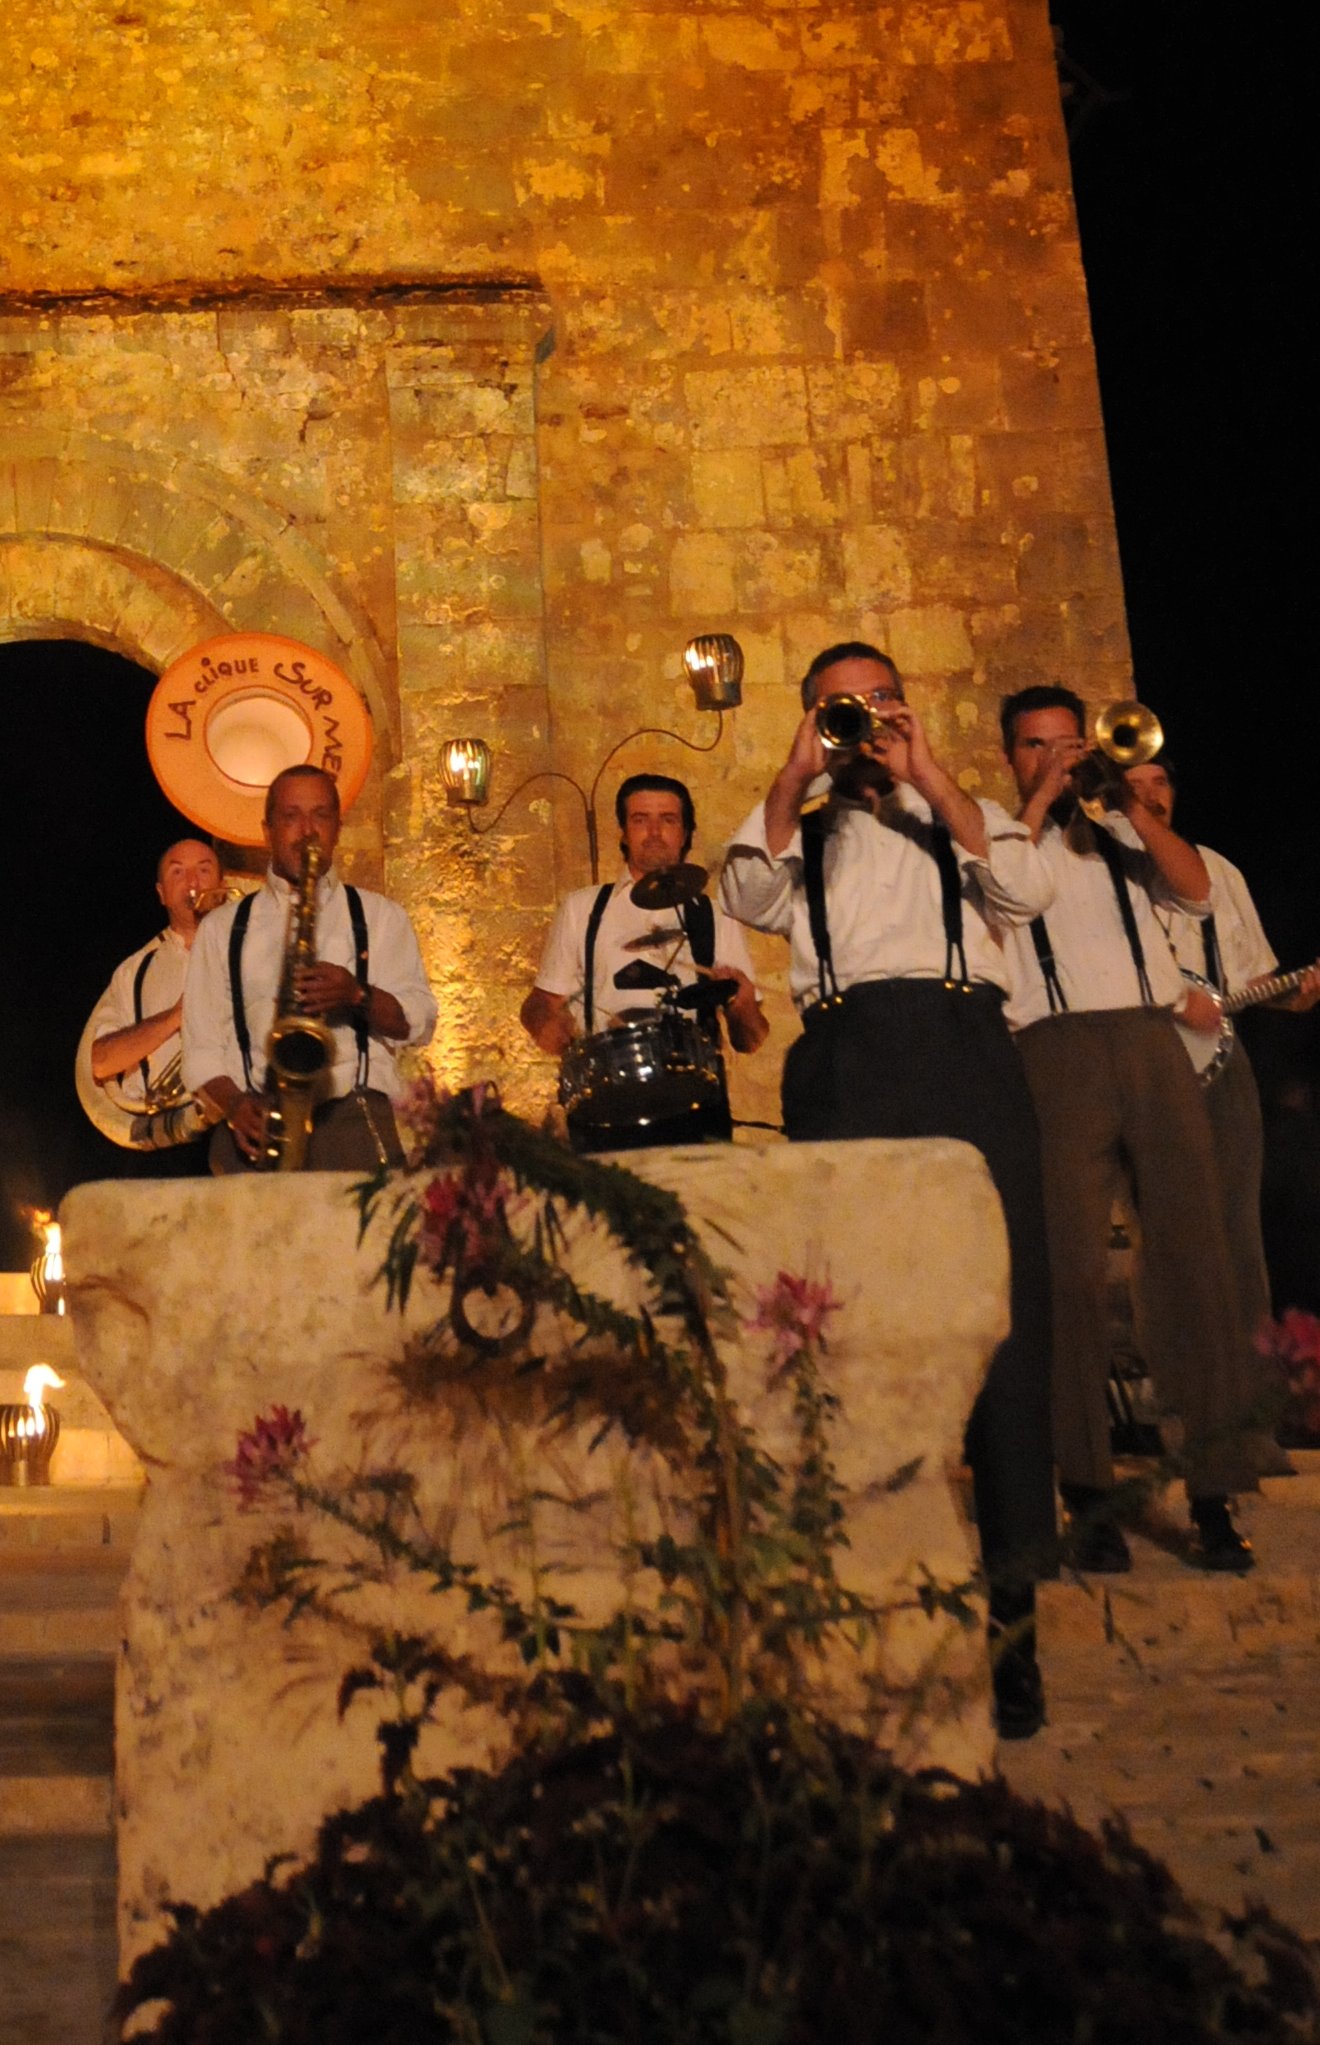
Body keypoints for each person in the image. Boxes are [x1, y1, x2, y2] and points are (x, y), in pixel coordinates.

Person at [717, 640, 1059, 1739]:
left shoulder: (958, 815)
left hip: (965, 1043)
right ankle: (859, 1595)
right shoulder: (800, 826)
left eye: (874, 702)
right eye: (836, 709)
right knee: (842, 1317)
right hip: (845, 1053)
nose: (859, 722)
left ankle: (1012, 1622)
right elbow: (748, 891)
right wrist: (792, 772)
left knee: (1008, 1312)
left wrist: (930, 774)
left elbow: (1026, 883)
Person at [1000, 687, 1268, 1577]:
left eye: (1068, 743)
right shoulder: (1000, 841)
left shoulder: (1120, 827)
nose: (1057, 758)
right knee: (1072, 1278)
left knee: (1197, 1264)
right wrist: (1042, 805)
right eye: (1037, 747)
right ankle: (1087, 1490)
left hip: (1153, 1040)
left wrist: (1127, 804)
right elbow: (1001, 901)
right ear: (1013, 759)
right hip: (1055, 1049)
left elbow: (1193, 889)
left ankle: (1215, 1489)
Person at [1125, 751, 1320, 1375]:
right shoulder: (1100, 867)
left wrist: (1300, 995)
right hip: (1142, 1068)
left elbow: (1253, 976)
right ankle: (1175, 1390)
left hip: (1222, 1066)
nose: (1152, 795)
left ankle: (1250, 1394)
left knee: (1239, 1231)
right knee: (1161, 1237)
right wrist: (1167, 1000)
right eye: (1134, 786)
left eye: (1160, 783)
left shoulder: (1214, 869)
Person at [182, 763, 436, 1176]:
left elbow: (419, 1023)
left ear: (337, 827)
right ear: (267, 830)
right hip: (257, 1123)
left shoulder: (382, 917)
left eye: (320, 815)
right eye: (291, 816)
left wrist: (357, 994)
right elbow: (201, 1048)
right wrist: (234, 1105)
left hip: (354, 1118)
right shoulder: (220, 929)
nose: (307, 830)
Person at [521, 773, 768, 1136]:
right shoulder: (583, 909)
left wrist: (742, 1003)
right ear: (623, 832)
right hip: (605, 1101)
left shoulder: (715, 915)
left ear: (685, 833)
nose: (654, 832)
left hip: (697, 1103)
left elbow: (751, 1039)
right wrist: (546, 1023)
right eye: (640, 820)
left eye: (667, 820)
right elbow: (539, 1003)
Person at [81, 839, 229, 1173]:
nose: (192, 883)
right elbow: (100, 1062)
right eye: (179, 872)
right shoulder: (135, 970)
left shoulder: (250, 953)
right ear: (161, 893)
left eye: (204, 870)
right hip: (162, 1145)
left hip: (235, 1128)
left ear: (222, 885)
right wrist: (175, 1018)